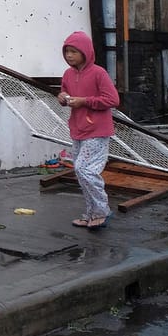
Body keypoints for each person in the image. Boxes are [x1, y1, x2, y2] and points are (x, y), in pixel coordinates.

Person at [58, 30, 120, 231]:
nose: (69, 56)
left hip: (98, 129)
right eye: (67, 51)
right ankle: (91, 213)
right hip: (78, 128)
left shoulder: (99, 73)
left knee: (84, 169)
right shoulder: (68, 74)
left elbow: (113, 100)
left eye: (74, 51)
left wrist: (84, 101)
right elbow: (65, 91)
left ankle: (102, 211)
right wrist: (63, 97)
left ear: (85, 52)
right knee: (82, 173)